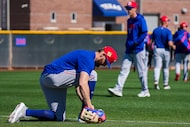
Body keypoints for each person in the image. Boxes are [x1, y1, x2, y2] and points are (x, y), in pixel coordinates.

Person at [8, 46, 118, 123]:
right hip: (53, 76)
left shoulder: (87, 59)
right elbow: (82, 83)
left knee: (58, 117)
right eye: (105, 62)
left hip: (48, 79)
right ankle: (86, 112)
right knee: (93, 75)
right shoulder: (88, 58)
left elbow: (78, 88)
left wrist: (85, 101)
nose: (104, 65)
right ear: (103, 54)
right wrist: (89, 106)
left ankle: (24, 111)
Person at [108, 1, 150, 97]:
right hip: (129, 49)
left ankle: (145, 90)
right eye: (127, 8)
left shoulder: (140, 19)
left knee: (141, 71)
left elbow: (144, 33)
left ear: (135, 9)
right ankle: (118, 89)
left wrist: (136, 42)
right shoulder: (129, 20)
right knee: (124, 69)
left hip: (138, 49)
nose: (128, 10)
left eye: (130, 8)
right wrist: (128, 44)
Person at [151, 15, 176, 90]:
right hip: (165, 50)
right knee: (165, 68)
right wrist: (174, 46)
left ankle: (156, 81)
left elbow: (151, 41)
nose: (168, 22)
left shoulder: (155, 30)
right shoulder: (168, 31)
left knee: (157, 67)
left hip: (157, 49)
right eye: (167, 21)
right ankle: (165, 84)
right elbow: (170, 43)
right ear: (165, 22)